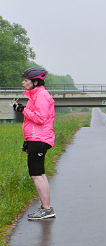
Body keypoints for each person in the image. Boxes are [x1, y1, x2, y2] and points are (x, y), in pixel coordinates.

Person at [12, 67, 56, 220]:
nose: (23, 83)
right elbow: (32, 120)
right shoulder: (35, 95)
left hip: (40, 138)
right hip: (35, 138)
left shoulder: (41, 95)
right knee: (39, 174)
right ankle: (46, 207)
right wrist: (27, 142)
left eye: (25, 80)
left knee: (36, 175)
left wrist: (22, 109)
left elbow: (40, 118)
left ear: (35, 81)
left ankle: (47, 209)